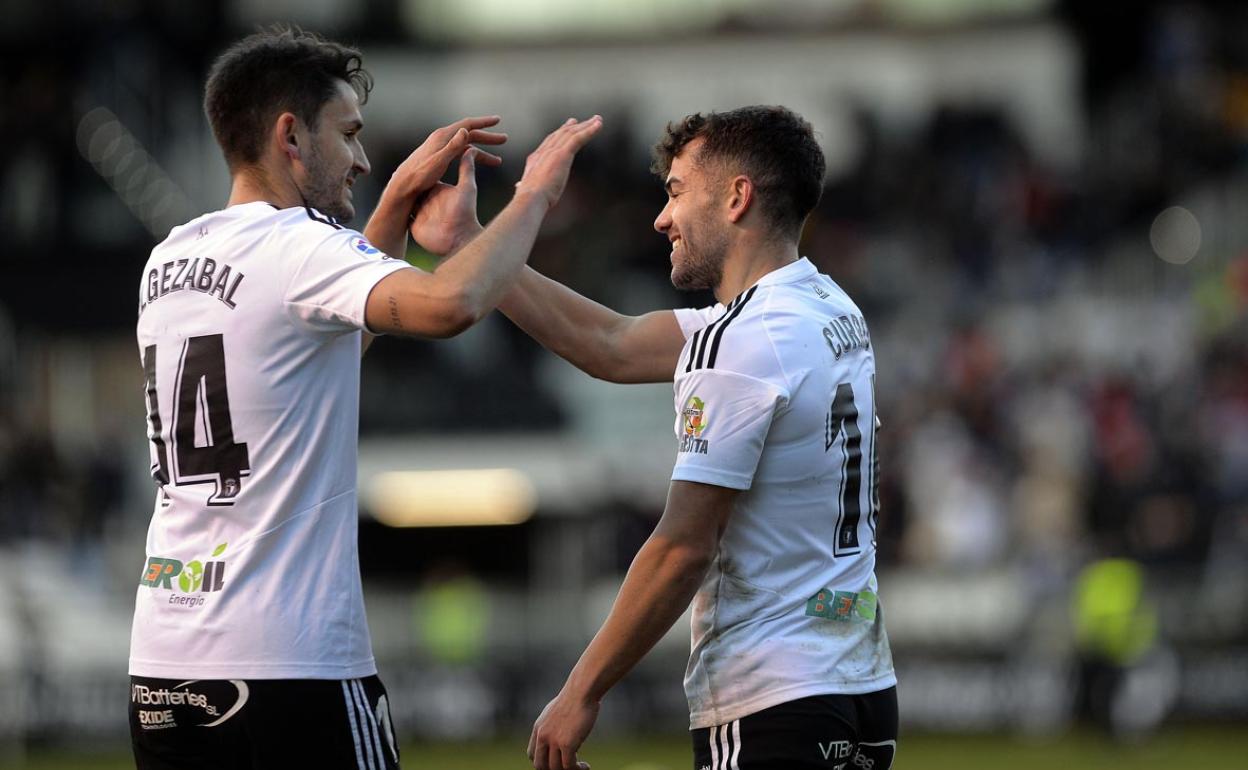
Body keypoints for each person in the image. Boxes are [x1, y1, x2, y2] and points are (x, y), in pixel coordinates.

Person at [129, 27, 600, 770]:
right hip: (289, 662)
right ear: (291, 135)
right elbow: (450, 306)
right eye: (347, 135)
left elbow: (320, 350)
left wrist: (389, 213)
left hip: (165, 664)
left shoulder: (172, 256)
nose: (363, 159)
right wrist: (535, 197)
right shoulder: (299, 246)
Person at [499, 106, 898, 770]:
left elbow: (682, 547)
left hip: (774, 694)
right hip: (858, 684)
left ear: (737, 197)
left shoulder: (741, 341)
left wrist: (580, 691)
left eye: (677, 191)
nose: (662, 217)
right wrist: (474, 248)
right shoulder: (827, 307)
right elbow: (611, 346)